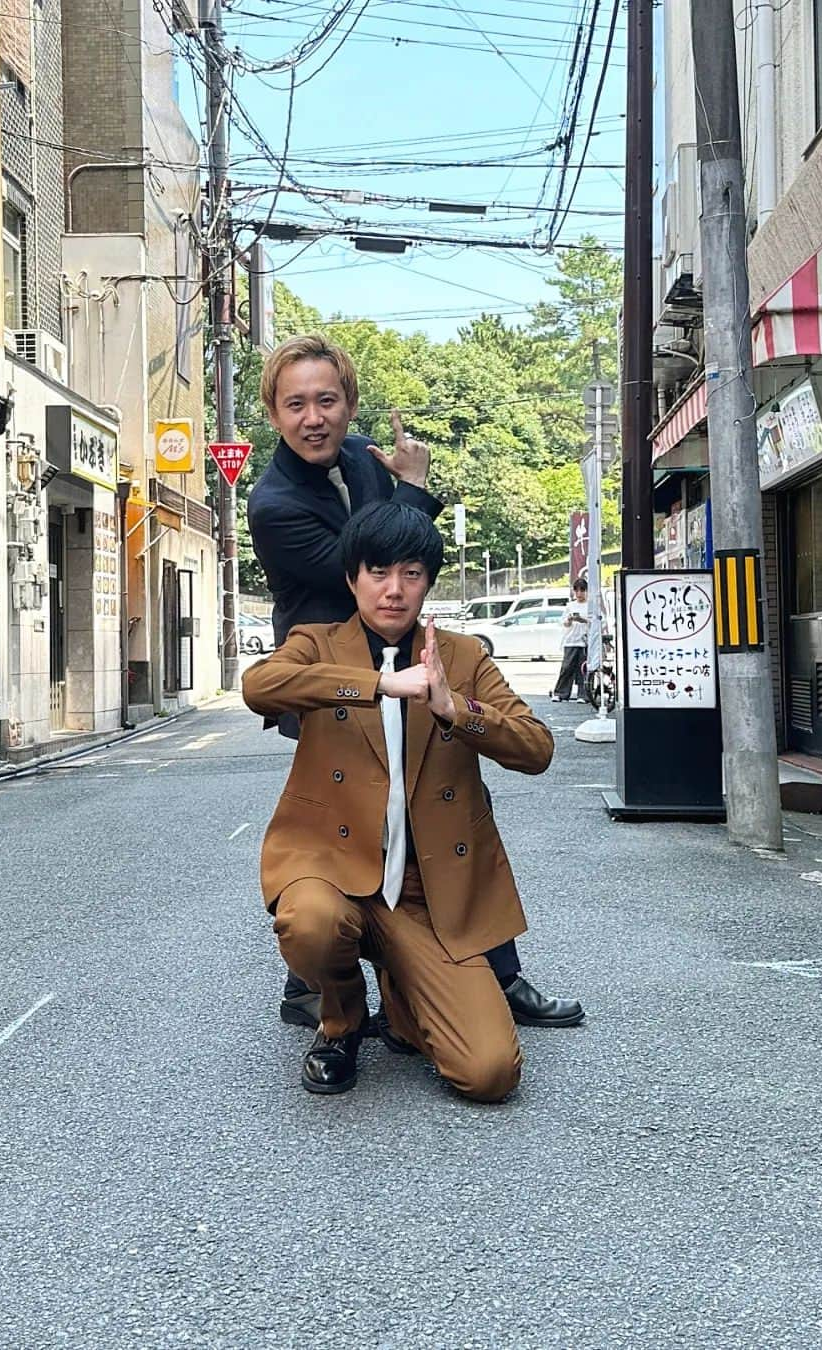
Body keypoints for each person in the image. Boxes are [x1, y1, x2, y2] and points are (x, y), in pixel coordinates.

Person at [247, 334, 583, 1034]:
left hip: (405, 654)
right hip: (328, 672)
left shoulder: (366, 457)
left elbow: (401, 550)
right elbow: (366, 562)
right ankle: (318, 981)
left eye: (327, 400)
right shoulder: (274, 503)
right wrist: (416, 490)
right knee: (348, 808)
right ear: (274, 415)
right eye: (296, 404)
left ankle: (494, 970)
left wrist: (409, 489)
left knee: (450, 795)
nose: (314, 418)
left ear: (350, 404)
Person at [243, 502, 557, 1100]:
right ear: (351, 578)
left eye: (411, 574)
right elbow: (259, 687)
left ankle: (403, 993)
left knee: (490, 1073)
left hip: (426, 892)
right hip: (333, 874)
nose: (393, 590)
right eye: (378, 571)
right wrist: (381, 684)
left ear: (428, 583)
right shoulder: (315, 643)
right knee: (311, 922)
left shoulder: (461, 656)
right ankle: (340, 1024)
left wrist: (453, 707)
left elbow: (536, 748)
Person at [552, 578, 588, 703]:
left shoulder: (591, 606)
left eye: (582, 590)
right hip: (571, 640)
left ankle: (583, 695)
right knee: (566, 667)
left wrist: (584, 621)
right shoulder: (570, 606)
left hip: (584, 641)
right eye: (577, 590)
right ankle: (560, 693)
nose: (579, 593)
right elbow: (564, 623)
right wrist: (569, 620)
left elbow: (599, 621)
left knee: (583, 669)